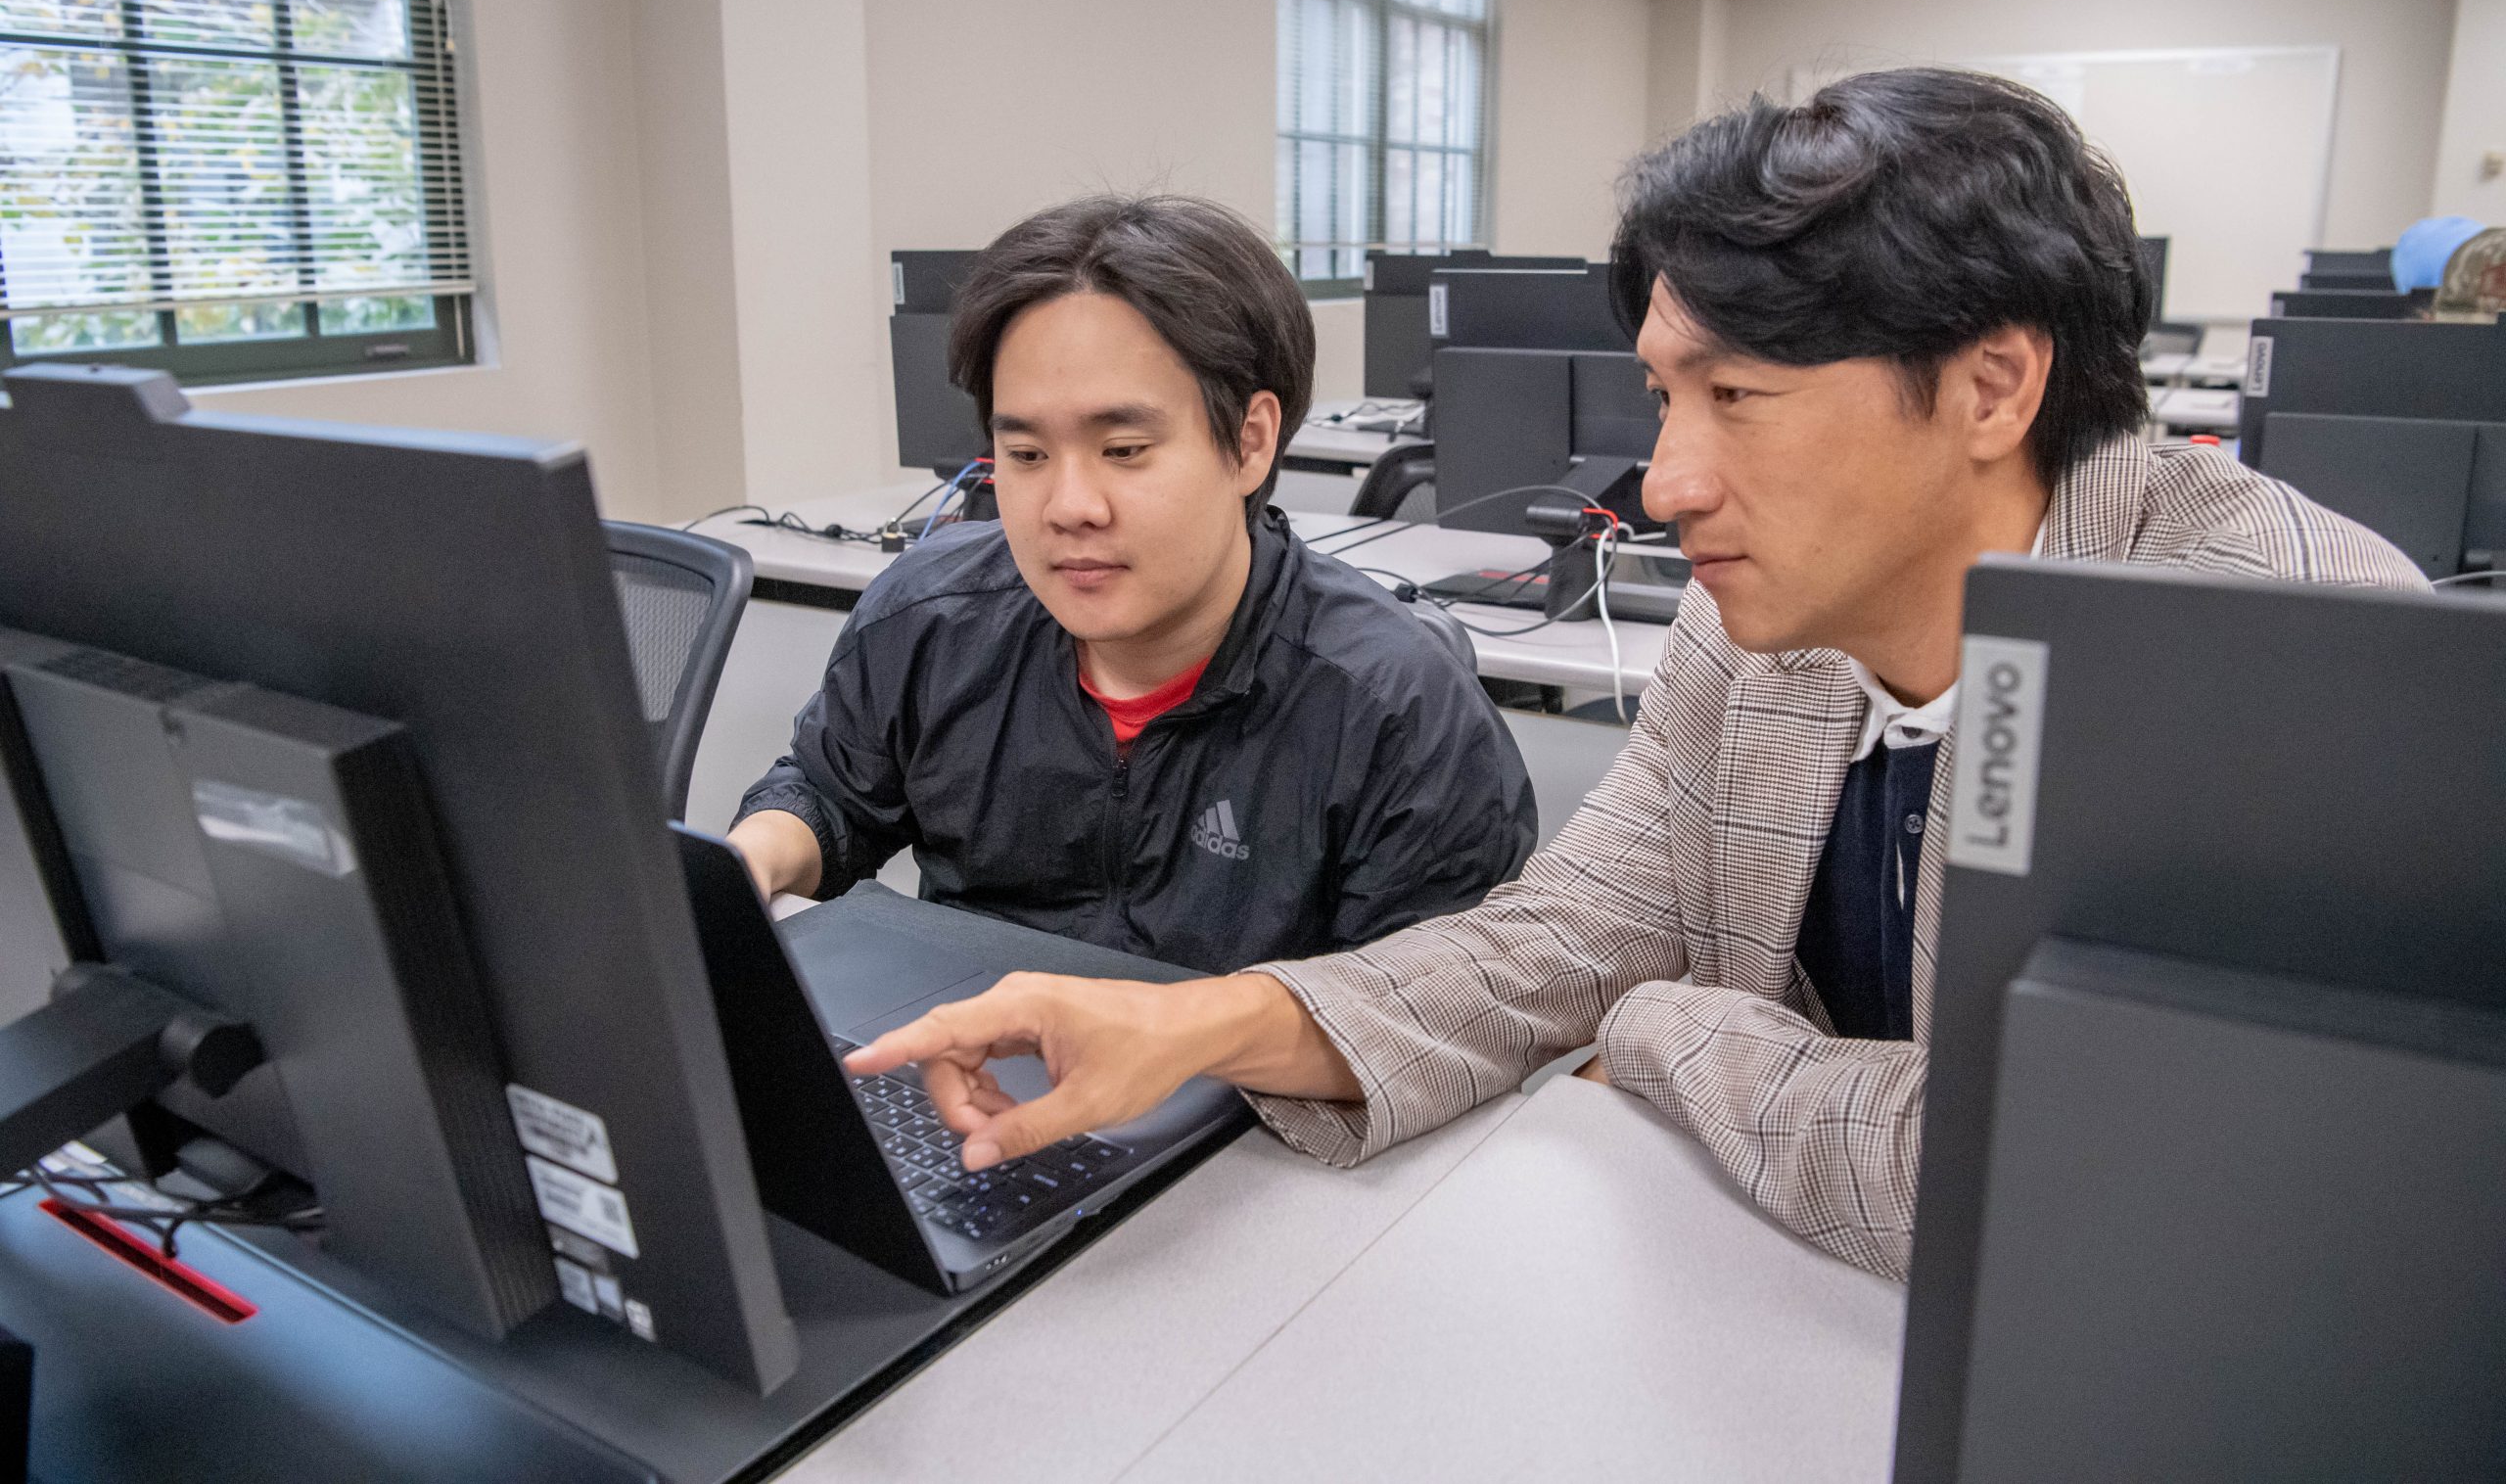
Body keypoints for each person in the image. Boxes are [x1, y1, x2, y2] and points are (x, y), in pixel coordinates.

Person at [843, 69, 2428, 1279]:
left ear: (1993, 383)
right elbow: (1566, 936)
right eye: (1670, 396)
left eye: (1735, 393)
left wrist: (1675, 1032)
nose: (1668, 482)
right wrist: (1204, 1028)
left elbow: (2033, 1177)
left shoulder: (2284, 655)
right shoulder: (1762, 625)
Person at [728, 194, 1537, 973]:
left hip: (1255, 1103)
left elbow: (1426, 1023)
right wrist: (756, 853)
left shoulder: (1398, 709)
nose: (1069, 507)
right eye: (1027, 455)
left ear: (1250, 443)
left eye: (1123, 450)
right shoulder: (928, 621)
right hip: (968, 1071)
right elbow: (829, 793)